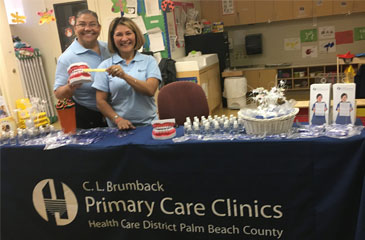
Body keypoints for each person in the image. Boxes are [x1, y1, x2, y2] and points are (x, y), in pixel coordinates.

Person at [92, 17, 161, 130]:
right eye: (119, 35)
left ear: (135, 35)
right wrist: (117, 119)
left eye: (128, 33)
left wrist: (124, 76)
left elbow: (150, 90)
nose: (124, 38)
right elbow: (100, 102)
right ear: (112, 38)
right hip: (119, 128)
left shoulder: (149, 61)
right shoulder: (105, 66)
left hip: (149, 126)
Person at [54, 9, 110, 129]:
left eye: (92, 24)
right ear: (75, 29)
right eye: (82, 24)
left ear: (99, 28)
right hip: (89, 119)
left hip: (117, 113)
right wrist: (70, 87)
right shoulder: (67, 57)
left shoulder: (109, 49)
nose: (87, 28)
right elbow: (58, 93)